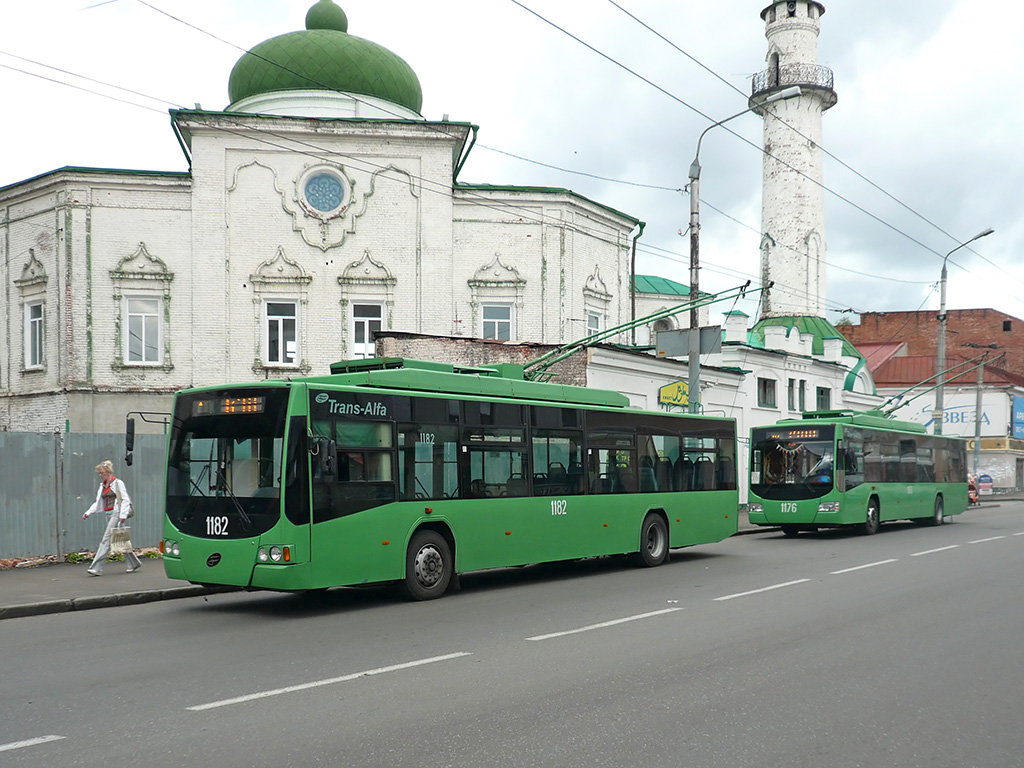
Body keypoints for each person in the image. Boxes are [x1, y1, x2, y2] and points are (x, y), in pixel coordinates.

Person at [82, 460, 142, 575]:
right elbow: (98, 502)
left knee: (106, 540)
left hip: (117, 514)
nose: (100, 475)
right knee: (120, 539)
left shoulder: (118, 483)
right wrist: (88, 512)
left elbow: (125, 499)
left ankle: (96, 567)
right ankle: (134, 563)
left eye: (102, 473)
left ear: (108, 472)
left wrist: (123, 515)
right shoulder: (102, 486)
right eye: (99, 473)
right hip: (108, 514)